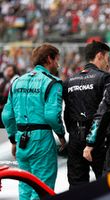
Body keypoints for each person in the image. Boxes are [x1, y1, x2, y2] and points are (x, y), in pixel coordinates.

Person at [1, 43, 66, 200]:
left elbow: (6, 115)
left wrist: (13, 139)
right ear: (49, 59)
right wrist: (62, 136)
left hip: (22, 139)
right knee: (42, 188)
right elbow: (52, 116)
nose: (58, 64)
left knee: (25, 187)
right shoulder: (52, 82)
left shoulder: (17, 82)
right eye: (57, 60)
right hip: (41, 139)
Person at [63, 41, 110, 189]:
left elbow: (67, 113)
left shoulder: (69, 81)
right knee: (106, 186)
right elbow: (109, 111)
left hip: (74, 138)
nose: (108, 63)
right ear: (99, 55)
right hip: (98, 140)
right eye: (107, 58)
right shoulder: (105, 78)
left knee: (77, 186)